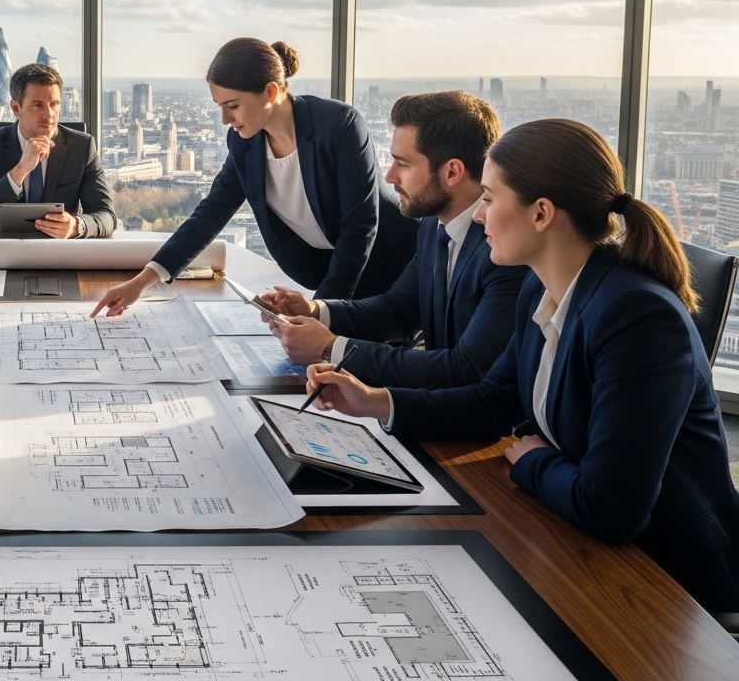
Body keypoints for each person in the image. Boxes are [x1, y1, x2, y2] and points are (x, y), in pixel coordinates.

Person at [302, 118, 739, 611]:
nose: (480, 217)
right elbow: (493, 401)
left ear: (541, 214)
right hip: (577, 541)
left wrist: (532, 461)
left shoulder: (637, 317)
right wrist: (376, 402)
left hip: (668, 584)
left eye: (489, 198)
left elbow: (612, 509)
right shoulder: (540, 285)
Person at [93, 38, 418, 317]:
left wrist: (320, 313)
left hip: (392, 267)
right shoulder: (244, 142)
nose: (224, 119)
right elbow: (210, 213)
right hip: (331, 274)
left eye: (232, 105)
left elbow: (359, 226)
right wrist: (141, 281)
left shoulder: (338, 125)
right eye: (219, 106)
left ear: (270, 91)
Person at [264, 91, 528, 385]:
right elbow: (399, 311)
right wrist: (315, 310)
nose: (389, 177)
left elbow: (464, 370)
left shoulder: (504, 249)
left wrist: (330, 348)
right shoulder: (432, 225)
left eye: (403, 164)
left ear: (452, 172)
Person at [0, 63, 115, 238]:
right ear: (16, 108)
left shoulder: (81, 147)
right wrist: (19, 171)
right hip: (3, 255)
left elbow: (107, 216)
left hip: (60, 256)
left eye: (54, 104)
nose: (49, 115)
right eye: (37, 105)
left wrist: (76, 226)